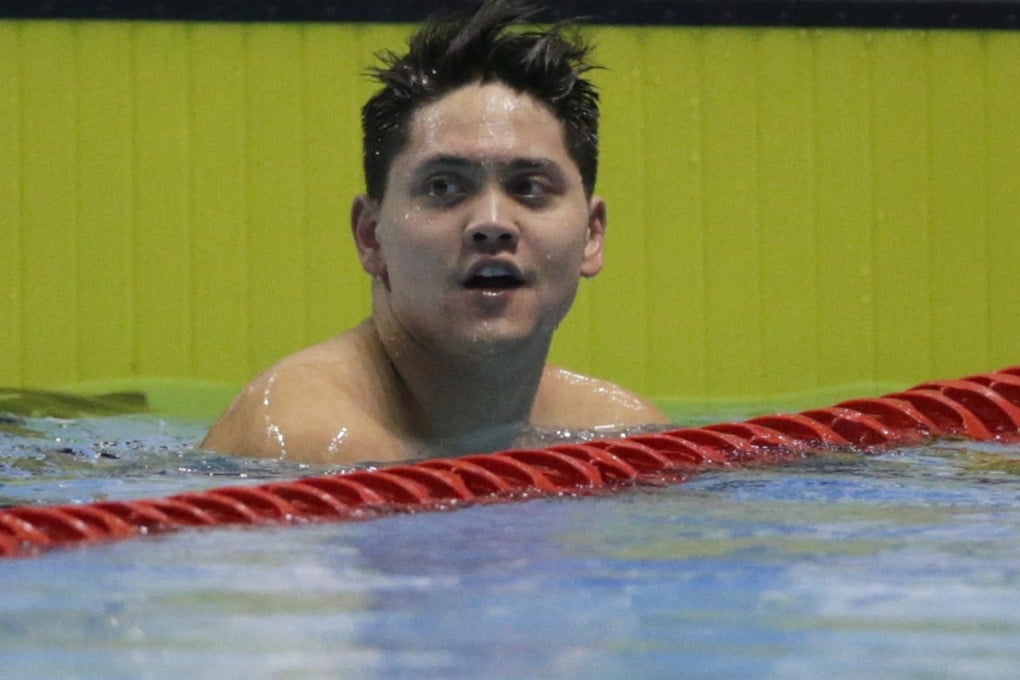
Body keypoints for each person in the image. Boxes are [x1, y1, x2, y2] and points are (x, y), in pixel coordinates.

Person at [201, 0, 668, 464]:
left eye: (529, 187)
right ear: (370, 236)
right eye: (443, 187)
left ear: (592, 235)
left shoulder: (618, 432)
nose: (491, 223)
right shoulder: (315, 441)